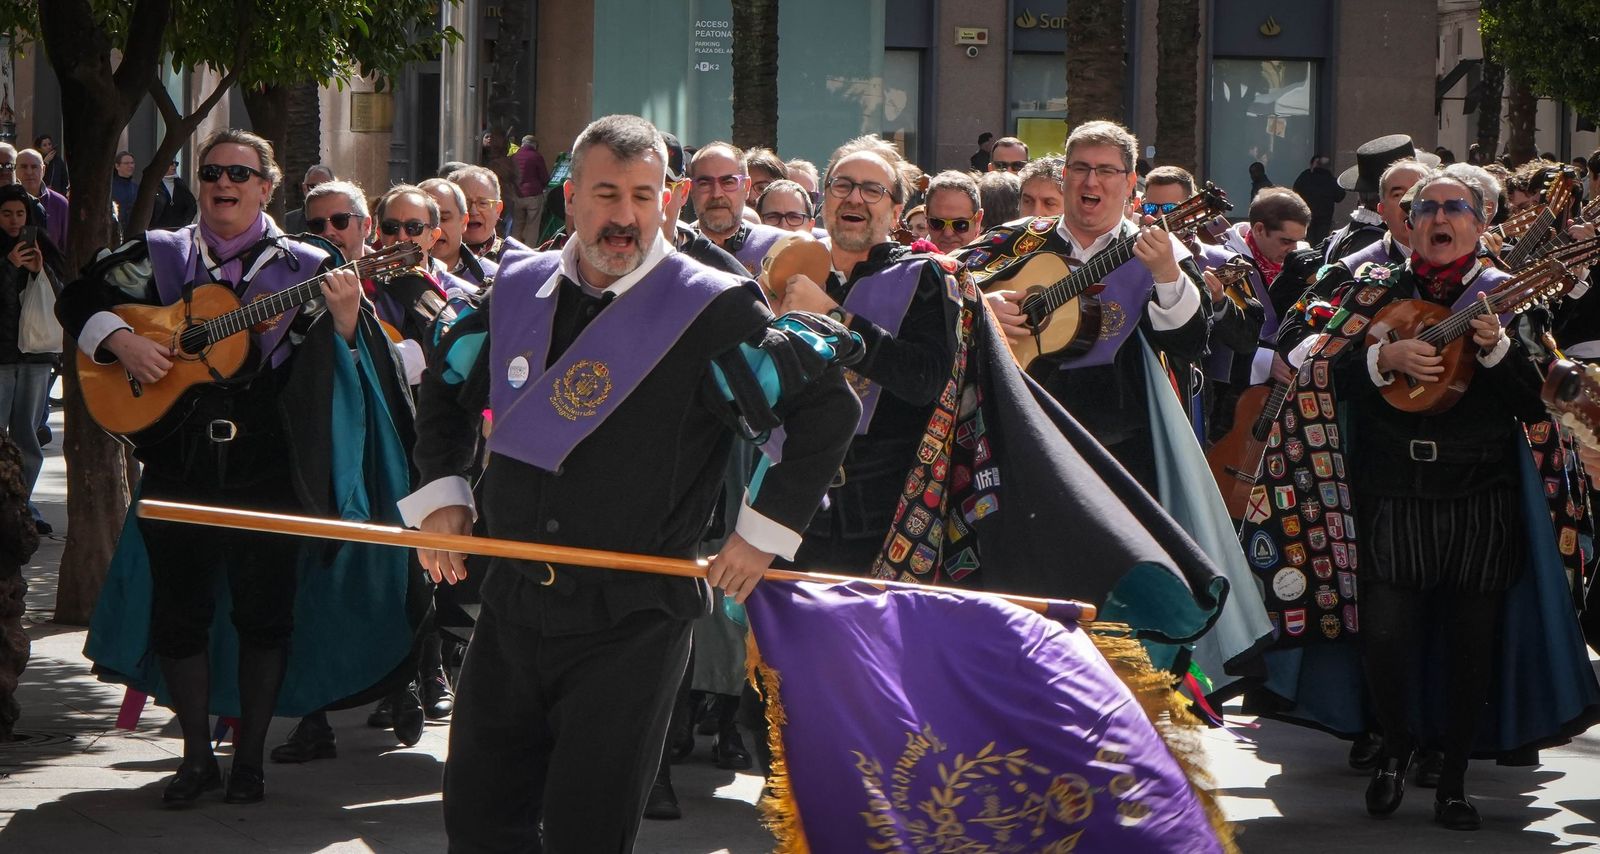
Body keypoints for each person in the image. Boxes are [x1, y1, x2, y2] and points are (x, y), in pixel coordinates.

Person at [397, 113, 857, 852]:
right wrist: (443, 497)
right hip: (511, 605)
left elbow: (828, 409)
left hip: (632, 620)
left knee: (588, 832)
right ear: (571, 197)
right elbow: (447, 390)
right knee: (479, 823)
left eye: (643, 197)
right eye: (607, 195)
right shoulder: (516, 288)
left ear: (668, 201)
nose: (625, 218)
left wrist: (761, 535)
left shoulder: (710, 304)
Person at [59, 128, 411, 806]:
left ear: (266, 187)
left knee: (264, 615)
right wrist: (125, 342)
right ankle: (195, 758)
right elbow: (79, 298)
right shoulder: (159, 256)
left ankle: (248, 761)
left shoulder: (308, 263)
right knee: (179, 613)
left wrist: (344, 321)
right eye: (213, 171)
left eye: (239, 174)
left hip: (266, 468)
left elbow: (346, 368)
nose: (224, 183)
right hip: (180, 464)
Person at [0, 185, 62, 536]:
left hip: (35, 357)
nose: (13, 221)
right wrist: (9, 267)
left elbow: (61, 297)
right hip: (3, 357)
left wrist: (40, 270)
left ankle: (23, 505)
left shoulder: (41, 246)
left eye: (19, 214)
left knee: (27, 435)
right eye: (6, 213)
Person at [1324, 134, 1439, 264]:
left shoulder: (1451, 252)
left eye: (1418, 189)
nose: (1411, 201)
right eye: (1398, 194)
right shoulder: (1366, 256)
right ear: (1381, 207)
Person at [686, 141, 786, 274]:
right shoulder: (675, 248)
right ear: (691, 189)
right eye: (705, 183)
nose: (717, 194)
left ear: (747, 187)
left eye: (728, 182)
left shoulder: (779, 248)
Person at [422, 177, 497, 288]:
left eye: (444, 218)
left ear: (464, 222)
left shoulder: (492, 279)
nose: (435, 229)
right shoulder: (393, 280)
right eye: (425, 221)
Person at [449, 164, 529, 263]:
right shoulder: (432, 258)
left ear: (498, 209)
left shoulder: (518, 260)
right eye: (465, 203)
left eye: (483, 203)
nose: (473, 211)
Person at [14, 149, 68, 251]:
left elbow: (66, 247)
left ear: (43, 170)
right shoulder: (6, 201)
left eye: (34, 167)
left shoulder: (60, 204)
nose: (29, 172)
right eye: (24, 167)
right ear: (15, 169)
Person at [922, 170, 983, 256]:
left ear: (978, 220)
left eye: (960, 225)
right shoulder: (907, 267)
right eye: (938, 223)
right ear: (926, 216)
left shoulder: (997, 266)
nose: (948, 233)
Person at [1292, 154, 1346, 246]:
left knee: (1308, 241)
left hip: (1307, 215)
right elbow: (1340, 196)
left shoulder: (1305, 176)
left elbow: (1295, 191)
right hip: (1324, 218)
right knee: (1321, 242)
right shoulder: (1331, 180)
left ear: (1315, 164)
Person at [512, 135, 550, 246]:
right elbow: (544, 177)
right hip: (533, 195)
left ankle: (514, 249)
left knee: (517, 225)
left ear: (522, 144)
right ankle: (529, 250)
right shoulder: (536, 156)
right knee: (532, 226)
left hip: (517, 195)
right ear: (534, 145)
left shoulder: (514, 156)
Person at [283, 164, 334, 234]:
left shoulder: (342, 221)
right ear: (304, 188)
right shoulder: (287, 221)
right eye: (313, 186)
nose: (318, 191)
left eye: (325, 187)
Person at [151, 161, 198, 230]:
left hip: (178, 230)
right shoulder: (153, 185)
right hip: (157, 231)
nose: (174, 165)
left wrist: (184, 225)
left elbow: (192, 206)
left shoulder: (181, 184)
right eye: (171, 163)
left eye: (176, 164)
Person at [112, 151, 139, 235]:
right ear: (117, 166)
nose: (130, 166)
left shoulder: (136, 187)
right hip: (113, 231)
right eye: (126, 163)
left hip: (133, 231)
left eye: (132, 163)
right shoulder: (110, 187)